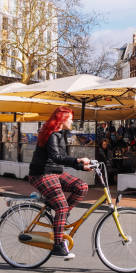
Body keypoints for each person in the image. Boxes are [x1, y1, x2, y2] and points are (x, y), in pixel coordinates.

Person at [28, 106, 91, 260]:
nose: (72, 121)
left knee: (81, 187)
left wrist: (81, 166)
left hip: (54, 173)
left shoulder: (60, 135)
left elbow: (61, 159)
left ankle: (60, 218)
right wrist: (77, 160)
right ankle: (57, 245)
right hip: (41, 174)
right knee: (62, 206)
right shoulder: (52, 135)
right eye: (70, 118)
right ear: (62, 119)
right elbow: (56, 157)